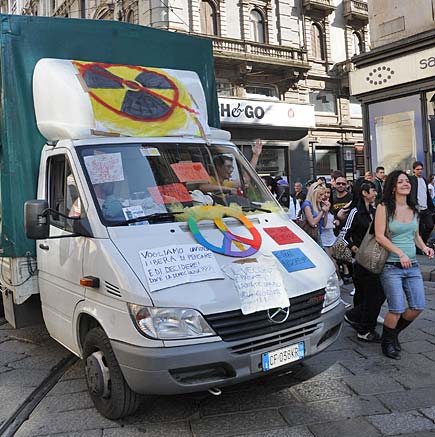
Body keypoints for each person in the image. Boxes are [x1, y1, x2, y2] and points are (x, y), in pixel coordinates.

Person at [375, 170, 434, 359]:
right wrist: (400, 253)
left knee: (418, 306)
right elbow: (379, 236)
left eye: (407, 181)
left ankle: (393, 334)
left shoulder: (414, 209)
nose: (405, 184)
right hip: (391, 266)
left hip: (412, 266)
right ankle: (387, 342)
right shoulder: (384, 207)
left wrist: (424, 248)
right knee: (396, 309)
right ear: (393, 187)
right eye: (400, 182)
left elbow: (415, 235)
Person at [342, 181, 385, 342]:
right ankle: (361, 323)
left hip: (375, 259)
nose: (375, 193)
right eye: (372, 190)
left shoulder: (375, 210)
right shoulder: (355, 212)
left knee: (371, 294)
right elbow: (343, 235)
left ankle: (360, 319)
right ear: (364, 193)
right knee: (371, 293)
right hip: (360, 261)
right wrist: (355, 248)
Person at [409, 161, 435, 243]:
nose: (420, 171)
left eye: (421, 169)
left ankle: (423, 242)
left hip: (425, 208)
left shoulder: (424, 180)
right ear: (414, 170)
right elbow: (411, 195)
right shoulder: (411, 179)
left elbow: (427, 194)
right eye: (418, 169)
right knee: (418, 229)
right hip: (417, 208)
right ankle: (419, 246)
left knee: (430, 225)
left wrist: (431, 208)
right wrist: (415, 206)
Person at [301, 181, 329, 246]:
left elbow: (324, 224)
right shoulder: (307, 205)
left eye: (323, 194)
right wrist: (322, 211)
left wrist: (326, 210)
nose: (322, 197)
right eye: (320, 194)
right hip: (309, 237)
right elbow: (312, 223)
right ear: (313, 194)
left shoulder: (317, 204)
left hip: (317, 235)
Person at [321, 184, 337, 258]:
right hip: (322, 238)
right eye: (324, 192)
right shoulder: (318, 206)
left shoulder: (332, 206)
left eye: (328, 193)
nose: (326, 195)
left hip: (332, 237)